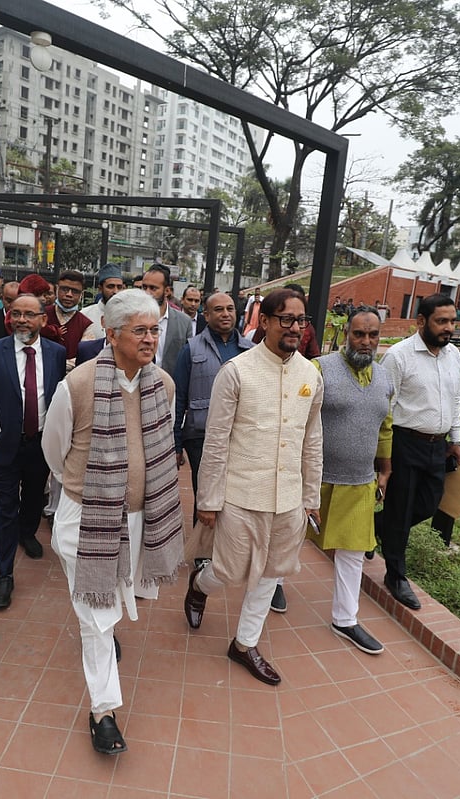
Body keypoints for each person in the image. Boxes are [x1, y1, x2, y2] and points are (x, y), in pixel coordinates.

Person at [42, 289, 185, 756]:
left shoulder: (163, 384)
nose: (150, 339)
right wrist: (92, 491)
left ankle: (106, 646)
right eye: (140, 330)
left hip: (143, 517)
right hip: (88, 519)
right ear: (111, 333)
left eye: (154, 330)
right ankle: (103, 711)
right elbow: (54, 452)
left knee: (112, 605)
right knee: (96, 617)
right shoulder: (78, 385)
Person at [183, 288, 324, 685]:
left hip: (289, 497)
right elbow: (216, 440)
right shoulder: (237, 371)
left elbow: (312, 439)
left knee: (271, 573)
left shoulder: (311, 375)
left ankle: (245, 644)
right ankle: (199, 586)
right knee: (227, 571)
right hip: (241, 494)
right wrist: (208, 499)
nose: (294, 327)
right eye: (286, 319)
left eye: (300, 320)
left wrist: (310, 496)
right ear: (264, 321)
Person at [0, 293, 67, 609]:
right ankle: (5, 573)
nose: (22, 320)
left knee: (33, 498)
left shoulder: (56, 353)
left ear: (43, 319)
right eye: (16, 314)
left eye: (29, 314)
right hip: (3, 445)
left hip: (40, 443)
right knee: (4, 507)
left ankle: (27, 533)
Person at [310, 306, 393, 655]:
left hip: (360, 481)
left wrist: (385, 469)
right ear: (346, 334)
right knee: (287, 540)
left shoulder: (385, 378)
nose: (365, 341)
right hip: (315, 478)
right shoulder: (320, 369)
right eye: (359, 334)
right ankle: (275, 585)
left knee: (353, 551)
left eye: (373, 335)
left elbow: (385, 427)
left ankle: (345, 619)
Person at [374, 294, 460, 611]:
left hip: (437, 445)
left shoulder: (453, 355)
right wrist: (383, 457)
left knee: (428, 504)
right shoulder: (399, 356)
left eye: (452, 321)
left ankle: (375, 528)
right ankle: (395, 575)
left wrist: (455, 438)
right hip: (404, 442)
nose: (448, 327)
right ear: (421, 321)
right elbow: (384, 406)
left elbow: (455, 399)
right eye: (442, 321)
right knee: (400, 509)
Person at [173, 291, 254, 524]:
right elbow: (179, 399)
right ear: (206, 315)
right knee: (205, 495)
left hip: (240, 436)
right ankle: (201, 544)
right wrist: (176, 443)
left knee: (234, 496)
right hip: (200, 436)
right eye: (218, 310)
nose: (225, 314)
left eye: (230, 309)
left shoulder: (250, 350)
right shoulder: (190, 349)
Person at [140, 264, 192, 369]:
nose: (147, 293)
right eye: (144, 287)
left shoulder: (184, 322)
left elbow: (187, 360)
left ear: (167, 291)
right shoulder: (133, 317)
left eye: (153, 288)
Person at [46, 269, 93, 360]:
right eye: (64, 289)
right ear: (57, 289)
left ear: (81, 294)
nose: (69, 294)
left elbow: (85, 356)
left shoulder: (86, 325)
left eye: (75, 291)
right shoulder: (41, 315)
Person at [81, 264, 125, 339]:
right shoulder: (85, 315)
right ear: (100, 289)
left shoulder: (129, 315)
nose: (115, 291)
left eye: (119, 287)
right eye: (110, 287)